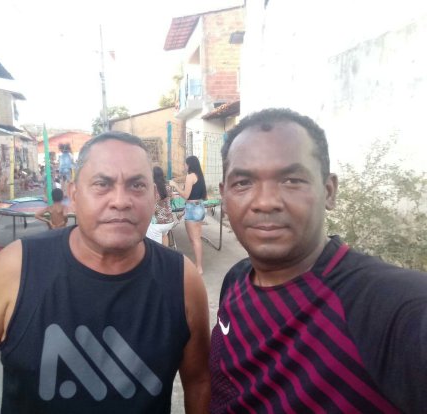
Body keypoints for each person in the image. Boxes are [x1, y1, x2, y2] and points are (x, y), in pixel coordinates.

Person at [0, 131, 211, 413]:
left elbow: (199, 381)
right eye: (102, 184)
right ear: (74, 195)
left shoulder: (181, 281)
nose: (120, 201)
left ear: (154, 196)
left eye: (137, 185)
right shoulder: (15, 268)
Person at [209, 108, 427, 413]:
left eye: (291, 180)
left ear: (329, 191)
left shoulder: (391, 306)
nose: (265, 202)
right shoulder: (236, 280)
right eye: (243, 182)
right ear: (224, 196)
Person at [169, 155, 207, 275]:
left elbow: (186, 195)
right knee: (196, 239)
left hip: (193, 209)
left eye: (185, 164)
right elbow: (192, 193)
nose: (184, 166)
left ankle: (199, 267)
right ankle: (198, 265)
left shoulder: (190, 176)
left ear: (189, 164)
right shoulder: (199, 176)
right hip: (199, 207)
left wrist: (175, 185)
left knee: (195, 240)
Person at [146, 166, 176, 246]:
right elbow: (172, 197)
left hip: (158, 223)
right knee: (164, 235)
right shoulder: (168, 186)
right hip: (169, 221)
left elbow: (152, 208)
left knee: (156, 246)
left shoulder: (152, 188)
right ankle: (165, 252)